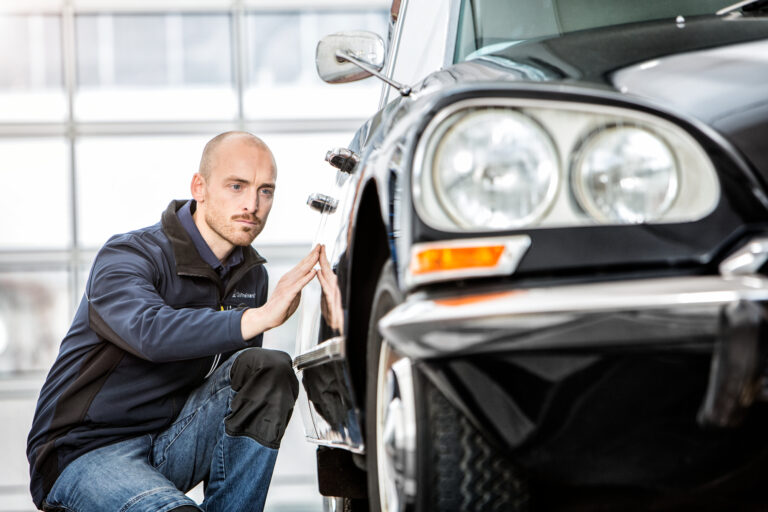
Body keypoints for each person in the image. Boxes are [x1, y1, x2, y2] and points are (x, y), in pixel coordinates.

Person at [26, 131, 320, 512]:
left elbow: (237, 389)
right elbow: (150, 331)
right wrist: (257, 318)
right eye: (237, 186)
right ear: (199, 187)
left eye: (266, 191)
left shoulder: (251, 278)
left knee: (266, 369)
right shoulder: (129, 256)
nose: (252, 204)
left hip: (171, 441)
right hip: (84, 452)